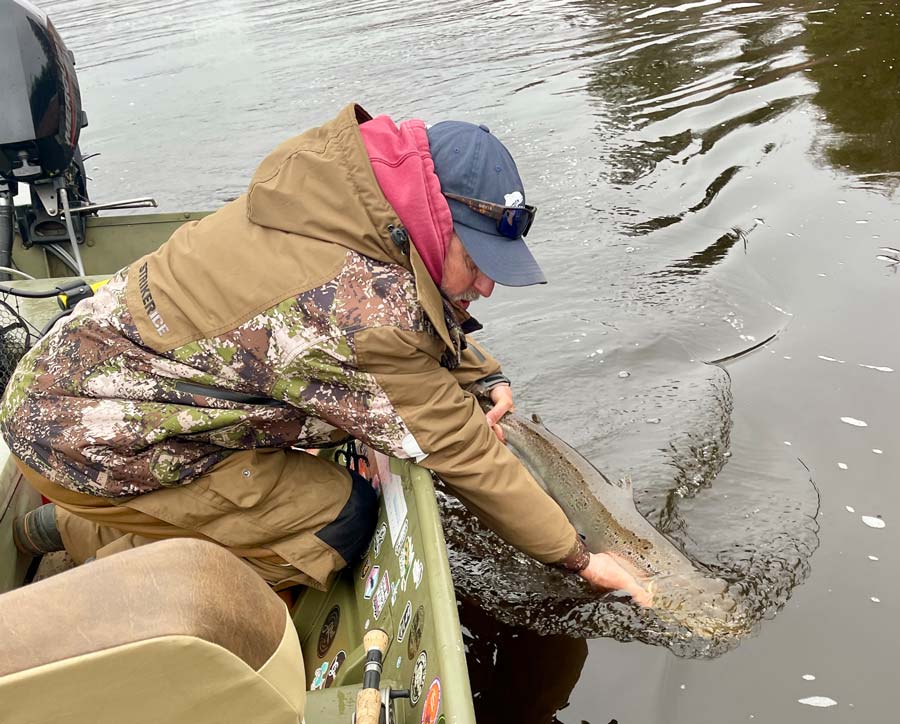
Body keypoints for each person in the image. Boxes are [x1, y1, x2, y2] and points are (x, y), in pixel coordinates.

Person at [2, 103, 648, 603]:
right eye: (478, 262)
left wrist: (485, 376)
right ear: (434, 220)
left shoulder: (342, 196)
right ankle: (93, 572)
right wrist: (582, 560)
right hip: (82, 445)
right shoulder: (357, 306)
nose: (486, 286)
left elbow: (418, 310)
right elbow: (463, 453)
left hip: (74, 394)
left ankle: (67, 528)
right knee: (336, 521)